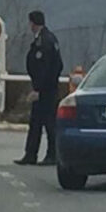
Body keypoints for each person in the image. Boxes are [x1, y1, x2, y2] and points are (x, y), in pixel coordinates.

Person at [15, 11, 64, 166]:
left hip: (45, 91)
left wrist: (38, 89)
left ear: (33, 23)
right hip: (48, 89)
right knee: (36, 123)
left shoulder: (43, 42)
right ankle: (31, 154)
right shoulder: (50, 38)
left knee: (48, 123)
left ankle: (52, 154)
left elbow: (45, 68)